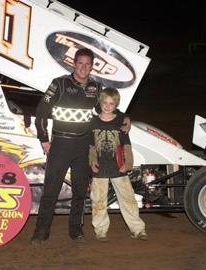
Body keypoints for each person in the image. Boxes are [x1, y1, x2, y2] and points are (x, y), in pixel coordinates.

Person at [31, 48, 130, 244]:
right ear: (73, 64)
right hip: (60, 144)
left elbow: (109, 109)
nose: (83, 67)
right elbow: (42, 111)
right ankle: (41, 231)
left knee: (79, 191)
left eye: (88, 64)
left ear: (92, 67)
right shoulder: (59, 83)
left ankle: (76, 230)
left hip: (84, 146)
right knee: (51, 190)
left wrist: (125, 117)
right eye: (80, 63)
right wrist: (44, 139)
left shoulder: (96, 87)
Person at [88, 87, 147, 242]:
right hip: (100, 168)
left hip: (118, 167)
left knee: (128, 199)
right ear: (100, 103)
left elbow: (126, 145)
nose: (107, 106)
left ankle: (138, 229)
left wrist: (128, 164)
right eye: (105, 103)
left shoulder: (121, 122)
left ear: (116, 105)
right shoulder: (93, 122)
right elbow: (91, 146)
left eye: (111, 103)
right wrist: (92, 161)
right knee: (99, 200)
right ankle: (100, 231)